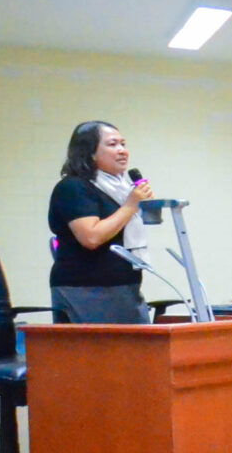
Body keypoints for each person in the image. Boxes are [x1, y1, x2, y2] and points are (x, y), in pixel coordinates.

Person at [47, 121, 154, 323]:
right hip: (86, 290)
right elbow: (91, 237)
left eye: (123, 144)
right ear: (90, 152)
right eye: (113, 144)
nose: (122, 150)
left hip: (125, 288)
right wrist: (130, 206)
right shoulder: (73, 187)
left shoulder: (121, 189)